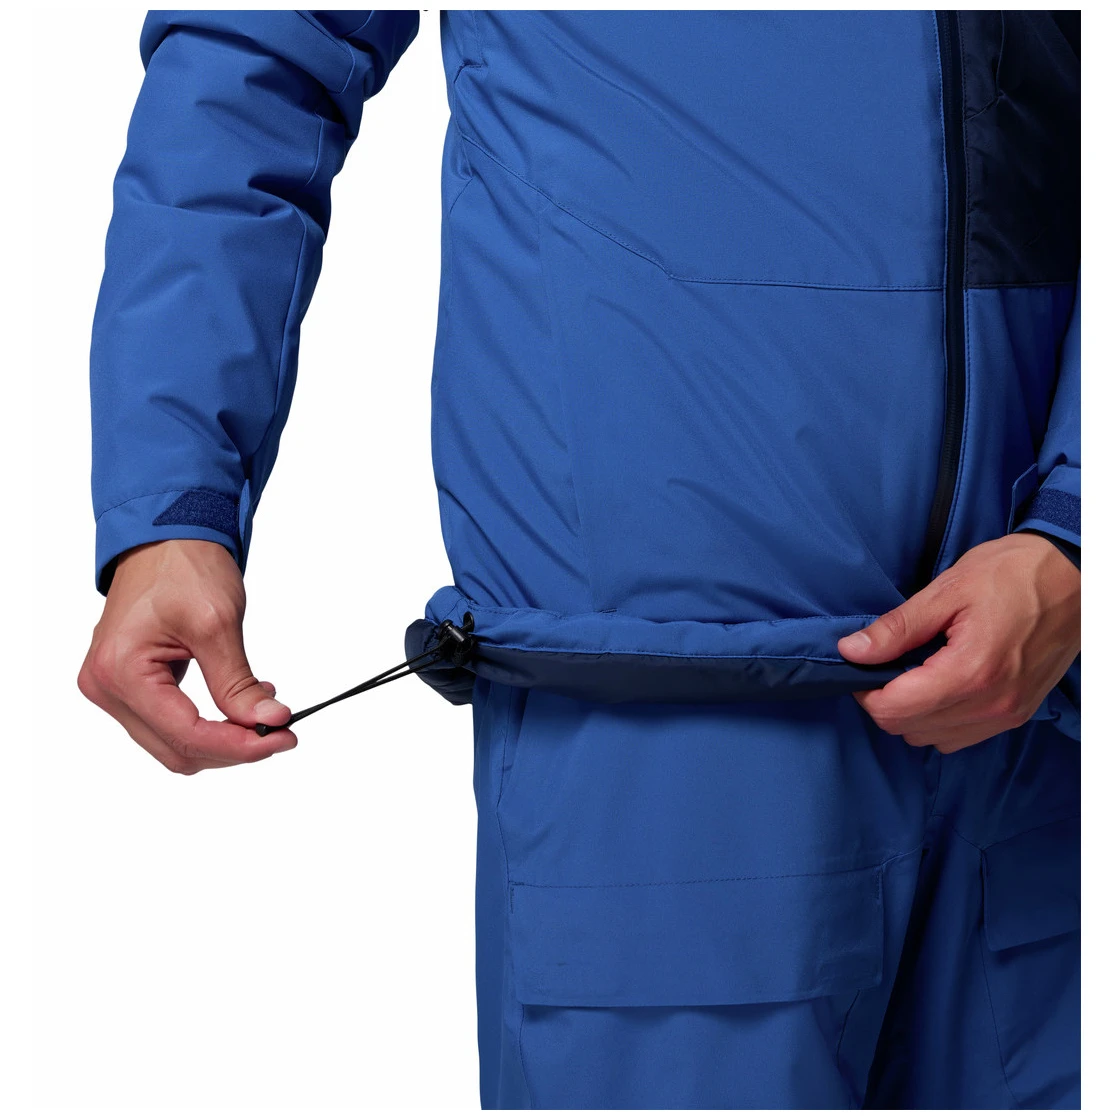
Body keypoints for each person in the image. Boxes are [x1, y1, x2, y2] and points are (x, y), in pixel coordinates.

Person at [79, 11, 1081, 1110]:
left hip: (1045, 718)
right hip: (659, 746)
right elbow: (257, 56)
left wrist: (1080, 527)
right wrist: (172, 499)